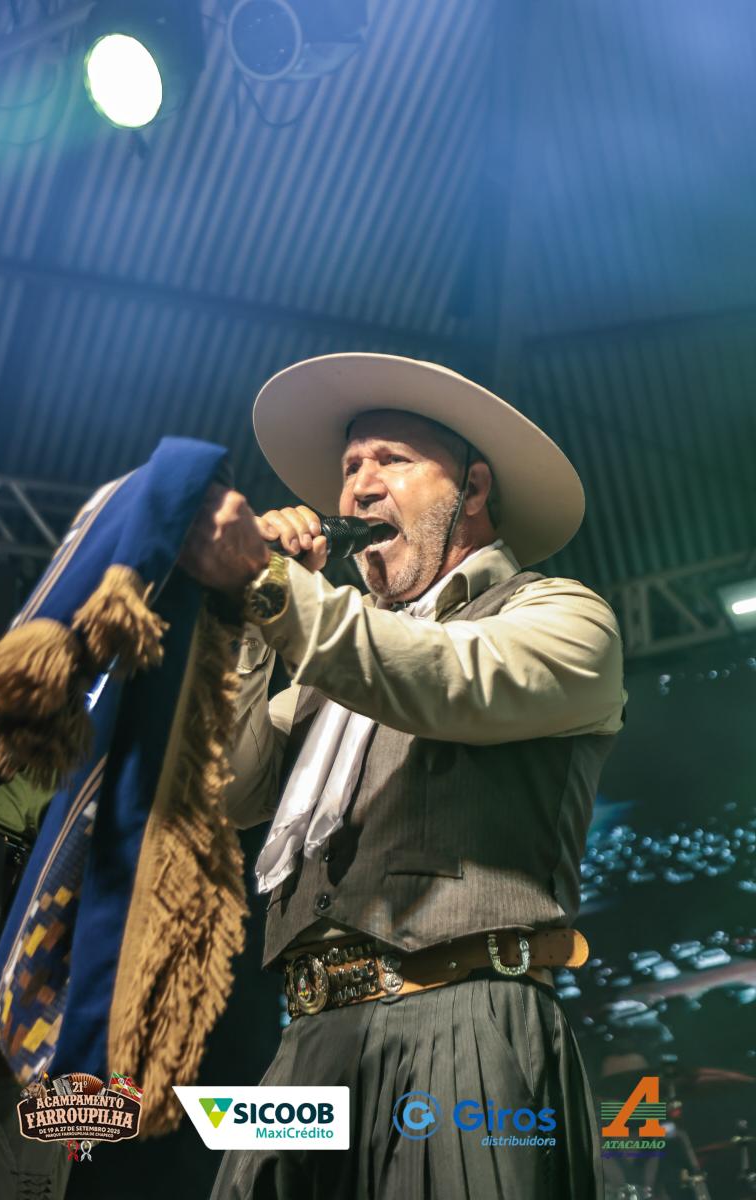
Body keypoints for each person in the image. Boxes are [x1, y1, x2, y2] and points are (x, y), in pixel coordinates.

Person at [179, 353, 628, 1200]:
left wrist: (274, 586)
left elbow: (441, 675)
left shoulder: (563, 617)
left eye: (392, 460)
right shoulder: (328, 674)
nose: (358, 486)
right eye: (351, 467)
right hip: (303, 1038)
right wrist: (240, 622)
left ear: (474, 488)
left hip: (464, 1020)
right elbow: (231, 791)